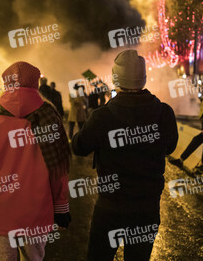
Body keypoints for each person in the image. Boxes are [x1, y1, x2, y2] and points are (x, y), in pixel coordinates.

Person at [72, 50, 178, 261]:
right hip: (147, 208)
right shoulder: (164, 112)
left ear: (116, 78)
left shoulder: (102, 116)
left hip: (110, 207)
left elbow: (79, 147)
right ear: (143, 78)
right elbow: (171, 147)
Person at [0, 61, 71, 261]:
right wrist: (61, 206)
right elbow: (58, 169)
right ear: (36, 85)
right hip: (36, 213)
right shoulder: (50, 117)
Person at [172, 88, 203, 166]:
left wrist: (202, 117)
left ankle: (185, 161)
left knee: (199, 141)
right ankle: (183, 160)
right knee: (199, 141)